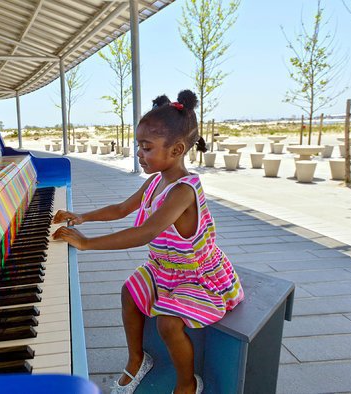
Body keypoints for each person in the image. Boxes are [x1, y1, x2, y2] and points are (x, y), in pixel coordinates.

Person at [52, 90, 244, 394]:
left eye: (147, 148)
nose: (139, 154)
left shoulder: (183, 191)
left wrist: (88, 244)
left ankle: (187, 383)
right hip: (165, 269)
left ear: (177, 149)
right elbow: (121, 209)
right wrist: (82, 217)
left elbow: (147, 232)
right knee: (129, 292)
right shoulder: (156, 181)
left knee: (168, 324)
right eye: (138, 146)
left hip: (197, 276)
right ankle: (136, 359)